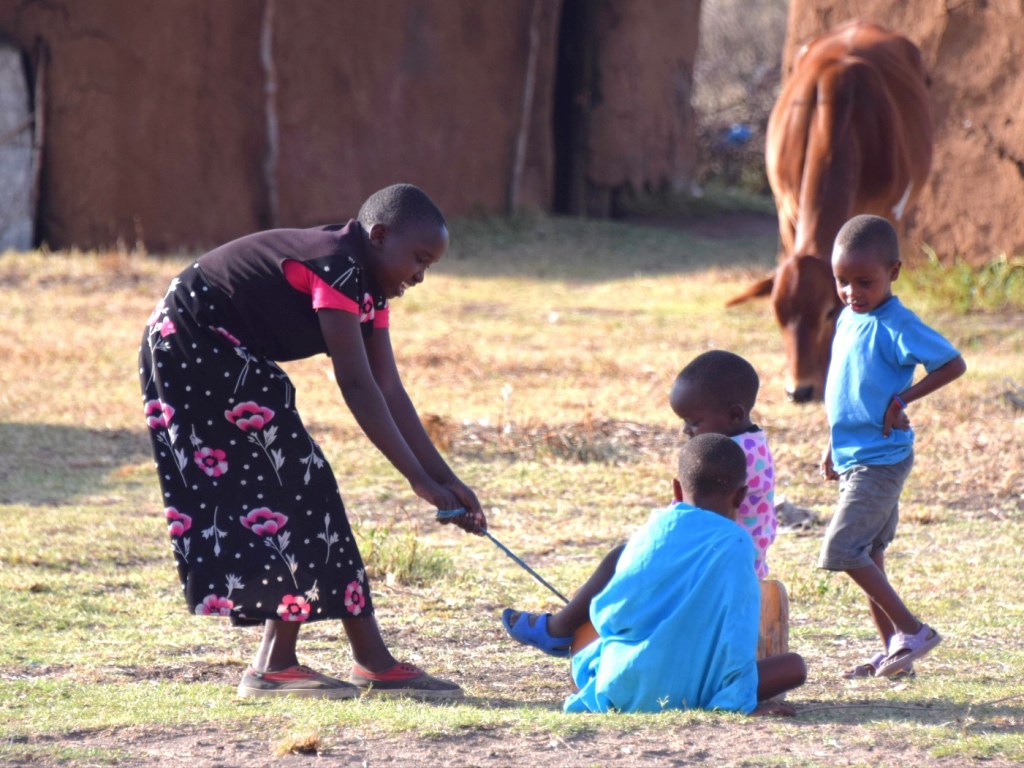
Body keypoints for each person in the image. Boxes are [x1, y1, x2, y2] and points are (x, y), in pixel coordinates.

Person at [139, 183, 486, 700]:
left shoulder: (367, 288)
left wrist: (447, 480)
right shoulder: (337, 266)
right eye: (418, 259)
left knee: (303, 488)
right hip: (192, 344)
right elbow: (358, 385)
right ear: (379, 236)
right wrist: (418, 480)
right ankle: (292, 665)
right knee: (301, 485)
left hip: (224, 354)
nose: (420, 276)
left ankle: (350, 662)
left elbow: (389, 388)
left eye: (428, 266)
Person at [502, 434, 807, 714]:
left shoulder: (652, 532)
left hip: (625, 688)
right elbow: (738, 633)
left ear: (676, 489)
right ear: (740, 496)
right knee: (795, 667)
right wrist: (737, 704)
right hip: (698, 692)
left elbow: (609, 613)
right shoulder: (738, 543)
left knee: (593, 637)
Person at [819, 214, 966, 680]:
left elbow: (952, 364)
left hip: (881, 459)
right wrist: (832, 443)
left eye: (865, 282)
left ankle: (913, 630)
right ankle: (894, 655)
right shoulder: (848, 318)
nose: (852, 292)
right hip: (854, 456)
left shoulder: (897, 323)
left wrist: (904, 399)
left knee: (842, 549)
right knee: (870, 554)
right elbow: (847, 389)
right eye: (842, 281)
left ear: (894, 272)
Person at [668, 350, 777, 579]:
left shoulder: (726, 456)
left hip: (718, 568)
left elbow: (692, 514)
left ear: (734, 415)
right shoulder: (754, 443)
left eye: (694, 422)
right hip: (748, 565)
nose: (686, 430)